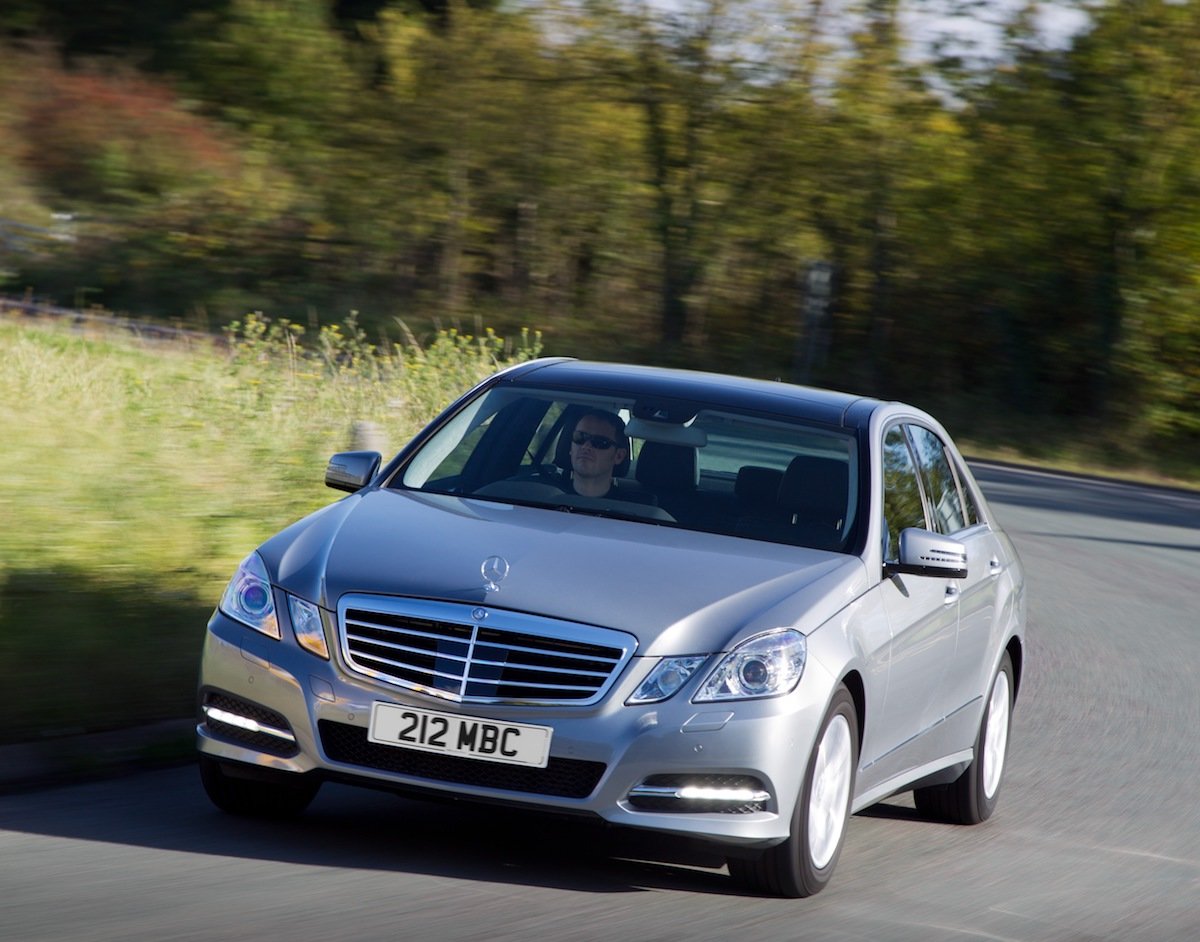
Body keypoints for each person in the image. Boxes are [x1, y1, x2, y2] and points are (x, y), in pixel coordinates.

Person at [562, 409, 630, 498]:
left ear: (619, 456)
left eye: (599, 442)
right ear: (570, 447)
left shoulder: (634, 509)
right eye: (580, 437)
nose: (586, 446)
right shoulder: (542, 493)